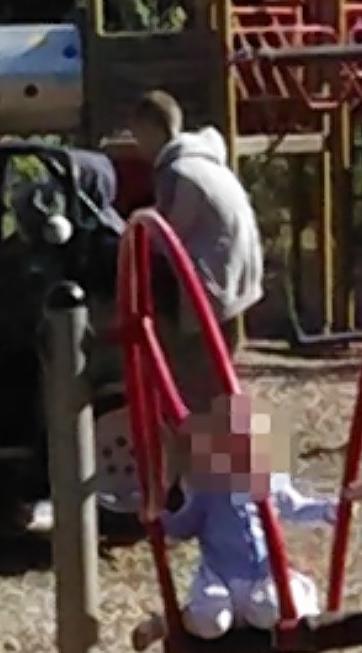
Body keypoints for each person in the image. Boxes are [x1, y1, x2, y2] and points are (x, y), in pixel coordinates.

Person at [131, 394, 337, 649]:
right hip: (221, 577)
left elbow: (295, 507)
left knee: (271, 607)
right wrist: (158, 517)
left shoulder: (271, 481)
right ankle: (168, 623)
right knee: (211, 622)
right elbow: (183, 526)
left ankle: (304, 600)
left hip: (264, 575)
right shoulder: (207, 489)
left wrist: (331, 510)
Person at [128, 90, 265, 414]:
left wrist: (131, 232)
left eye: (138, 136)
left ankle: (208, 454)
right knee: (221, 375)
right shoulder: (205, 161)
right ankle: (229, 449)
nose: (138, 146)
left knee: (195, 378)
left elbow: (169, 234)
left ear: (150, 130)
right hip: (239, 274)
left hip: (210, 283)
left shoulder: (177, 172)